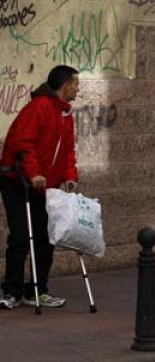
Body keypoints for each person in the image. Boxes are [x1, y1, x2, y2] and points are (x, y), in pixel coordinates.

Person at [0, 65, 80, 310]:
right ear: (65, 85)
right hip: (18, 182)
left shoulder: (65, 115)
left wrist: (70, 176)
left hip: (46, 186)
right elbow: (22, 142)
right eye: (76, 84)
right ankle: (11, 290)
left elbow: (67, 151)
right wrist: (34, 173)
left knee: (45, 238)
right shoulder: (40, 107)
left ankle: (37, 289)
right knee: (22, 237)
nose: (78, 89)